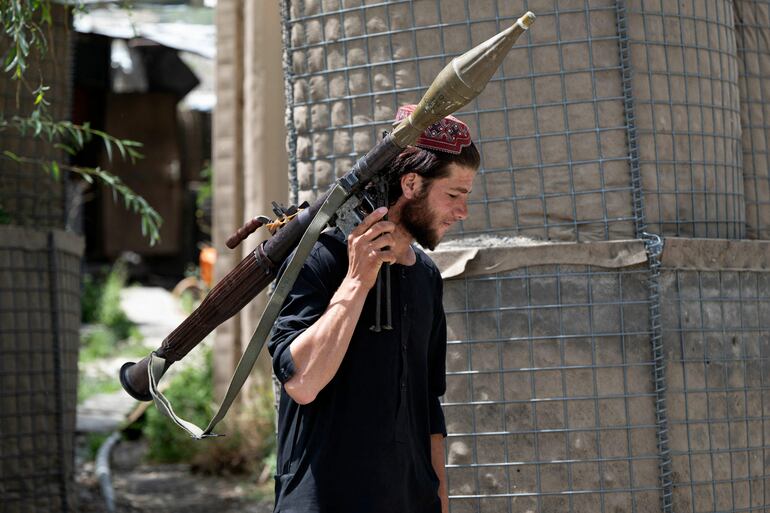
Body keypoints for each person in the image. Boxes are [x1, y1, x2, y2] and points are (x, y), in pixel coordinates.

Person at [268, 104, 480, 513]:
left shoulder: (426, 277)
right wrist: (357, 281)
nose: (462, 212)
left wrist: (439, 503)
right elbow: (301, 382)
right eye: (453, 194)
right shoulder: (317, 259)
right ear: (412, 184)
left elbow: (428, 405)